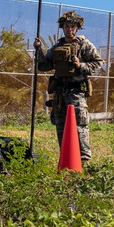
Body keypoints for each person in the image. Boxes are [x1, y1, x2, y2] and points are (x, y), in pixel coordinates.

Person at [35, 10, 103, 164]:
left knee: (80, 126)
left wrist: (81, 66)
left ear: (77, 28)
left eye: (72, 26)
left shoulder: (84, 45)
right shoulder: (57, 46)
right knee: (60, 126)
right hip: (60, 92)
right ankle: (66, 159)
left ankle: (84, 160)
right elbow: (44, 65)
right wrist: (38, 50)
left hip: (76, 91)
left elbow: (98, 63)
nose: (69, 29)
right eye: (66, 26)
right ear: (62, 27)